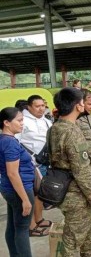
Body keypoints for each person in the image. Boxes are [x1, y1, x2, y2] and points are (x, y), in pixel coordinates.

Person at [50, 87, 91, 256]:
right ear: (77, 105)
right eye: (83, 101)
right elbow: (81, 172)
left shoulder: (56, 127)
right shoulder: (73, 132)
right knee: (72, 241)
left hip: (65, 190)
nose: (84, 104)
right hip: (76, 195)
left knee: (87, 234)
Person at [16, 95, 52, 236]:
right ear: (29, 107)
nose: (41, 108)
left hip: (44, 163)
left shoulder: (47, 121)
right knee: (29, 194)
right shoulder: (22, 121)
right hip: (28, 164)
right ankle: (30, 226)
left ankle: (39, 219)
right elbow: (16, 142)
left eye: (43, 105)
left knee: (40, 193)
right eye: (37, 106)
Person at [0, 107, 35, 256]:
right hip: (19, 189)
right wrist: (25, 199)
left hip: (8, 189)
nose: (22, 123)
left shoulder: (4, 139)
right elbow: (13, 173)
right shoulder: (10, 143)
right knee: (22, 228)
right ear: (6, 123)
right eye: (19, 120)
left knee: (13, 227)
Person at [76, 89, 91, 190]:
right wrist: (84, 161)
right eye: (89, 104)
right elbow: (78, 143)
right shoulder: (75, 119)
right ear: (81, 103)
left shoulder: (89, 117)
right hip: (84, 161)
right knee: (87, 186)